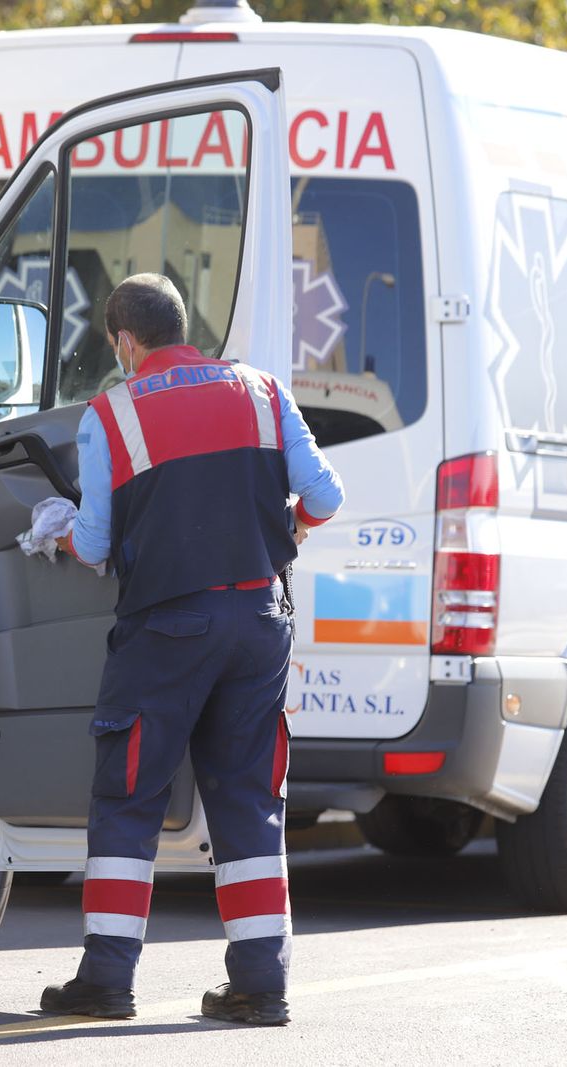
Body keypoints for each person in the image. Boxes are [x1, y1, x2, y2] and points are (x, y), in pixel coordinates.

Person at [41, 273, 344, 1027]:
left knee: (130, 797)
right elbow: (326, 496)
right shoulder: (265, 391)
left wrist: (52, 525)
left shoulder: (111, 413)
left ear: (124, 340)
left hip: (167, 630)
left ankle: (108, 978)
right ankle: (260, 985)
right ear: (183, 326)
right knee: (248, 802)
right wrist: (291, 528)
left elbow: (96, 543)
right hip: (261, 620)